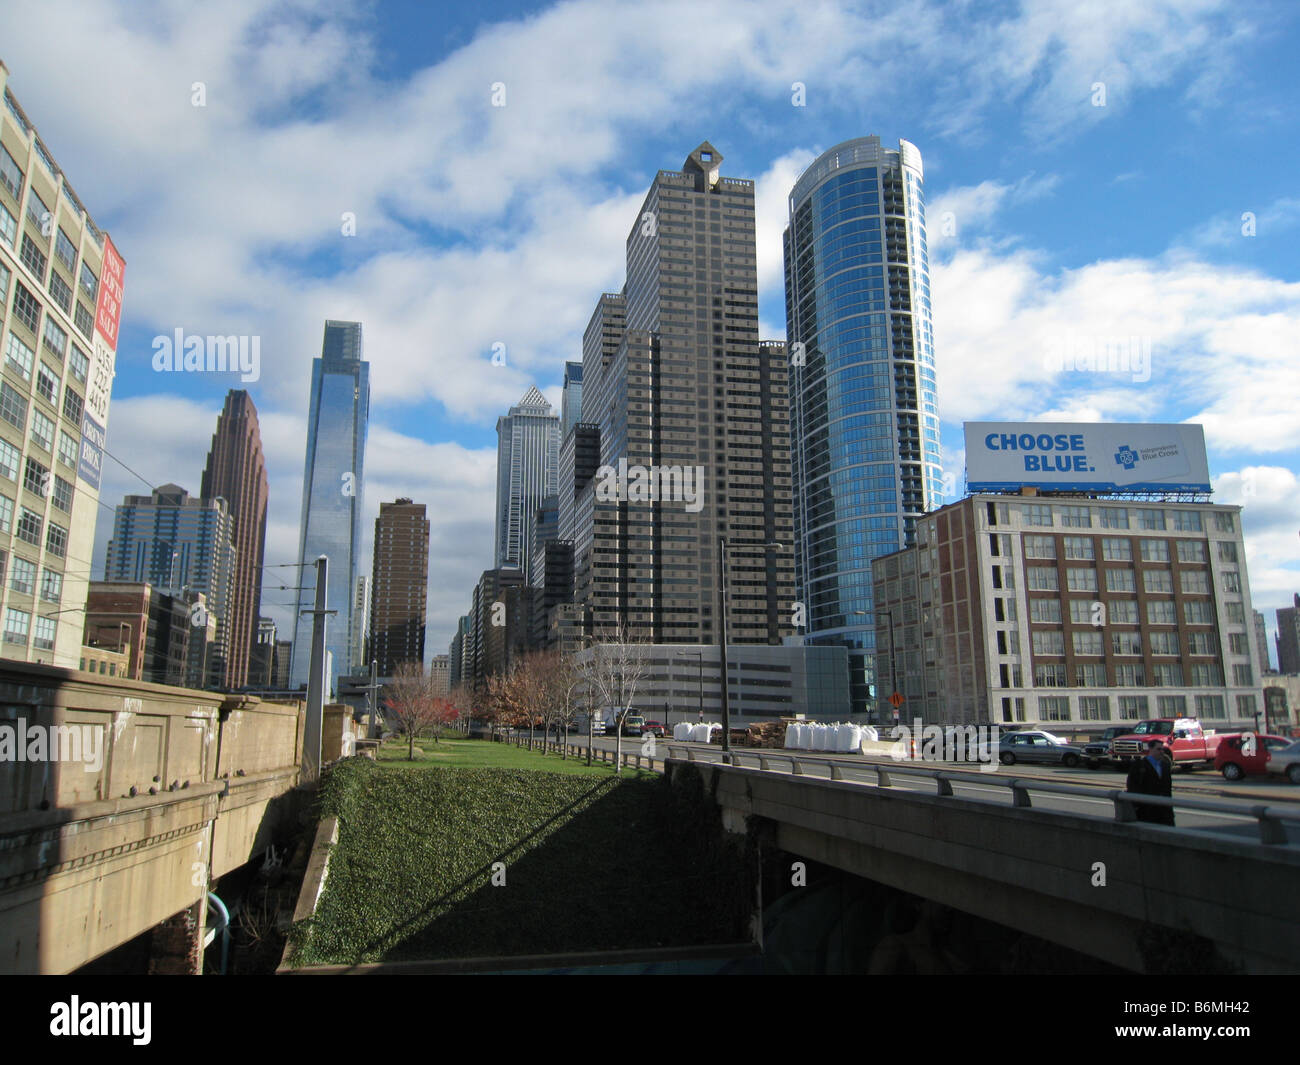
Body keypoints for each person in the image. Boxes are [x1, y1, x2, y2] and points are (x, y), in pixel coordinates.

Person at [1126, 739, 1175, 825]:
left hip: (1164, 811)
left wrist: (1170, 810)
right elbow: (1132, 787)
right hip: (1146, 811)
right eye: (1158, 749)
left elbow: (1168, 789)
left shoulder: (1165, 766)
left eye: (1162, 749)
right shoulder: (1139, 766)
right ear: (1150, 749)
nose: (1161, 752)